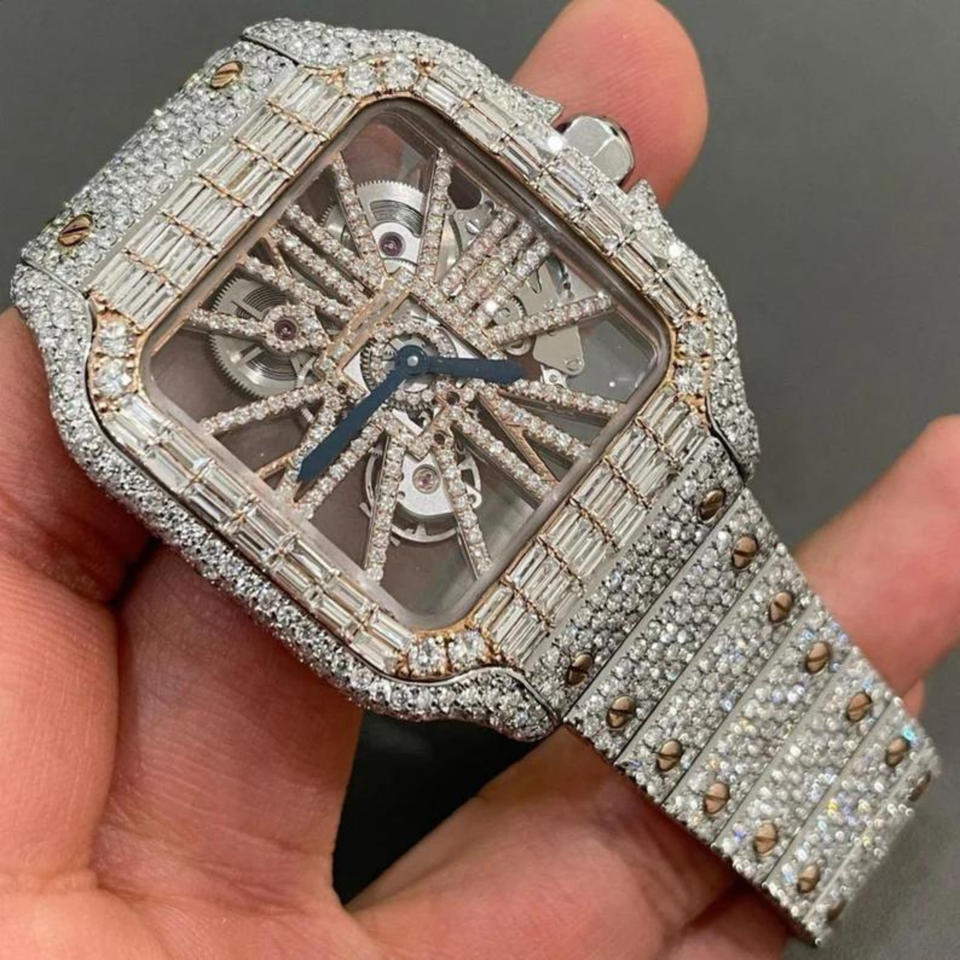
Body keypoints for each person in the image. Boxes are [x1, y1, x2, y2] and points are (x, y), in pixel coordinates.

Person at [1, 1, 956, 956]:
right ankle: (846, 811)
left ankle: (850, 798)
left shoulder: (356, 102)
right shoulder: (114, 358)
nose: (409, 356)